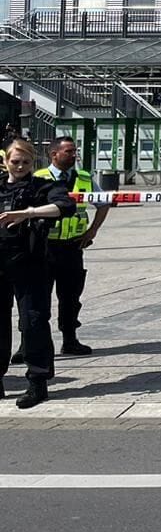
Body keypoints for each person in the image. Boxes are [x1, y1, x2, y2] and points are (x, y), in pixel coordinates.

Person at [1, 139, 73, 408]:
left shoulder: (42, 186)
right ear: (6, 161)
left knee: (33, 322)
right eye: (15, 161)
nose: (19, 166)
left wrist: (28, 213)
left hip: (30, 263)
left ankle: (38, 382)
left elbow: (65, 206)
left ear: (34, 163)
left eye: (25, 162)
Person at [30, 137, 109, 357]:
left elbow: (103, 203)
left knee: (71, 297)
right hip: (43, 248)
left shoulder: (83, 178)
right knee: (38, 299)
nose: (74, 155)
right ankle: (28, 344)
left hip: (72, 247)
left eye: (75, 151)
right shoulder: (38, 178)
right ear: (53, 154)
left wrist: (92, 231)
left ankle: (70, 340)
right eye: (69, 151)